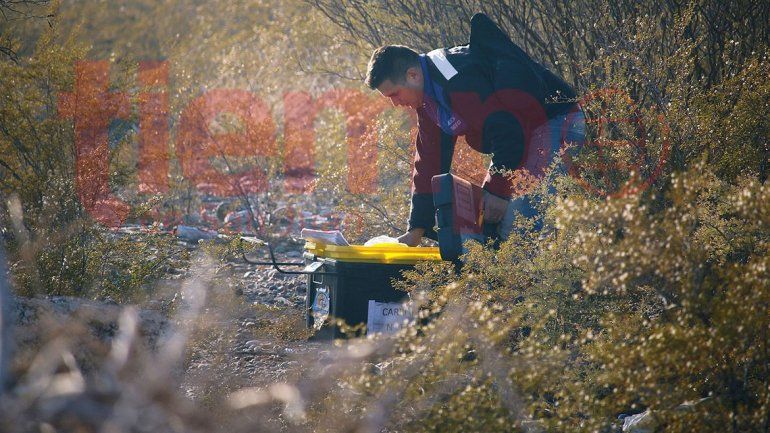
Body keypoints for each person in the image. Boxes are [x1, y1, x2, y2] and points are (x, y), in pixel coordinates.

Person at [365, 13, 585, 247]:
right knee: (491, 222)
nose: (395, 104)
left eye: (394, 94)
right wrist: (416, 228)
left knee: (516, 219)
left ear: (413, 75)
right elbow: (429, 161)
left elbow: (508, 130)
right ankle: (505, 277)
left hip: (555, 121)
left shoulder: (458, 80)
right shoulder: (428, 96)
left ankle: (525, 280)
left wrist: (498, 192)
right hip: (522, 134)